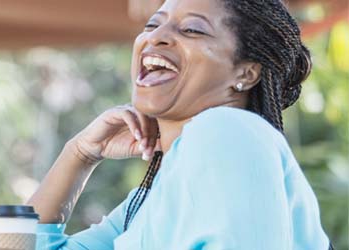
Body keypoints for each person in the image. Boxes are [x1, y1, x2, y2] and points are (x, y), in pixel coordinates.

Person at [27, 0, 330, 248]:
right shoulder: (148, 200)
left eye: (192, 29)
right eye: (152, 24)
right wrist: (79, 154)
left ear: (246, 73)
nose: (155, 36)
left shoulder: (228, 130)